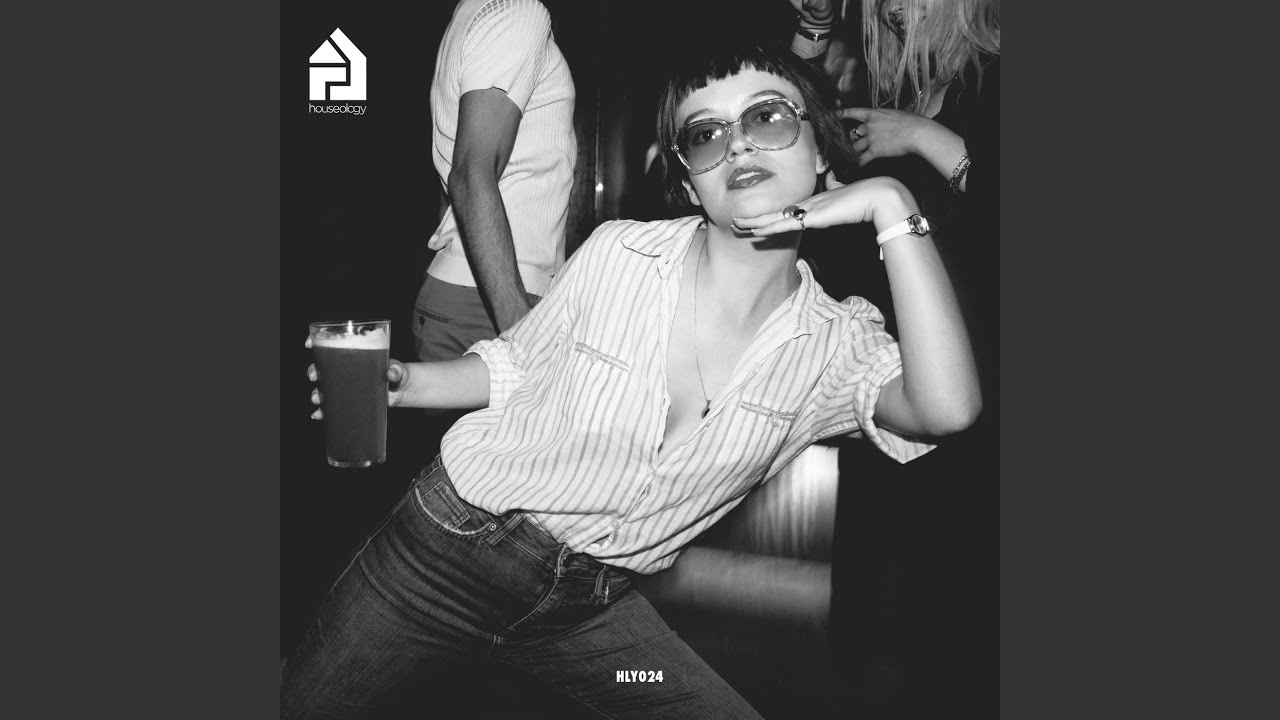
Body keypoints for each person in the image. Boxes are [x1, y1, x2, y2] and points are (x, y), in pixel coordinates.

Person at [282, 41, 981, 719]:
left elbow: (947, 409)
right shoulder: (619, 254)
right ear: (690, 180)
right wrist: (404, 385)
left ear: (821, 149)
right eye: (705, 135)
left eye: (767, 118)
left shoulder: (835, 343)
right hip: (441, 558)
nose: (738, 146)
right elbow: (518, 367)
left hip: (583, 613)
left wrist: (893, 207)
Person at [413, 0, 576, 363]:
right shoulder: (516, 11)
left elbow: (457, 176)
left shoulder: (478, 11)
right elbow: (469, 177)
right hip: (490, 303)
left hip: (474, 292)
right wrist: (524, 337)